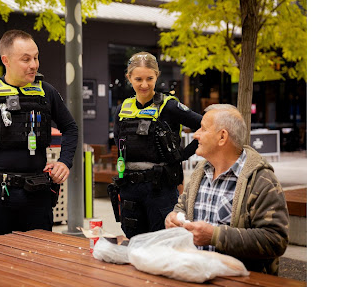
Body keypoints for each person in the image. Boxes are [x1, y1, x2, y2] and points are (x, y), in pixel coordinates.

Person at [0, 30, 78, 237]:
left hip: (37, 195)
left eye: (36, 57)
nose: (34, 65)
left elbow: (70, 127)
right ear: (6, 60)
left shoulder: (46, 92)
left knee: (37, 262)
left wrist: (64, 162)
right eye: (26, 59)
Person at [165, 104, 289, 275]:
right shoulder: (199, 173)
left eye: (203, 128)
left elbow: (276, 240)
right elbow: (181, 208)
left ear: (222, 137)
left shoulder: (262, 180)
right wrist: (174, 218)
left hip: (241, 281)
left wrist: (216, 236)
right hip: (195, 275)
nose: (195, 134)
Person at [110, 52, 202, 239]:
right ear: (129, 78)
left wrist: (182, 155)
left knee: (162, 243)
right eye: (138, 79)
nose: (144, 84)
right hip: (129, 189)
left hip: (160, 191)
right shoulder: (122, 110)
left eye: (149, 78)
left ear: (157, 76)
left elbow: (206, 126)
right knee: (134, 243)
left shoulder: (170, 106)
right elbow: (119, 144)